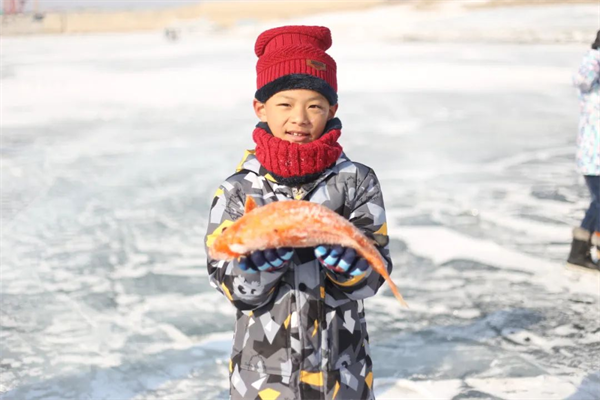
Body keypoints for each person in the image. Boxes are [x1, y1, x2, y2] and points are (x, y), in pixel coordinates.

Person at [204, 25, 392, 400]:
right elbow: (230, 284)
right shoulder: (238, 189)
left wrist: (351, 266)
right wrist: (256, 269)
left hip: (343, 377)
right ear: (261, 108)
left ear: (332, 109)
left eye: (315, 105)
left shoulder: (356, 181)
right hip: (262, 380)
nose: (300, 118)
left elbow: (374, 276)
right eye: (285, 104)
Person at [567, 30, 600, 273]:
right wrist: (597, 54)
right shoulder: (591, 72)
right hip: (593, 155)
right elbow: (581, 78)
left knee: (597, 203)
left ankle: (578, 252)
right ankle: (582, 252)